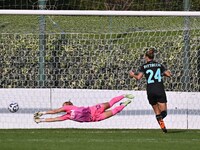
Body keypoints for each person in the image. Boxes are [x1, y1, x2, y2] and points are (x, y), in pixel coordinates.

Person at [129, 48, 171, 133]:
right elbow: (168, 74)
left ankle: (163, 128)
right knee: (164, 112)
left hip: (150, 91)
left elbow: (138, 77)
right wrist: (163, 73)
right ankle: (161, 121)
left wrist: (132, 75)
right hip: (159, 89)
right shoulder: (159, 65)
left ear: (146, 57)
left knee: (156, 111)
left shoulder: (144, 66)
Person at [34, 94, 134, 123]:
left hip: (93, 109)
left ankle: (124, 95)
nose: (63, 106)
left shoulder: (69, 107)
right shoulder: (67, 117)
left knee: (110, 103)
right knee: (114, 111)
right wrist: (41, 120)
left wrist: (42, 112)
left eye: (63, 104)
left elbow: (55, 111)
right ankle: (124, 104)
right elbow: (55, 119)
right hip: (94, 118)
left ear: (67, 104)